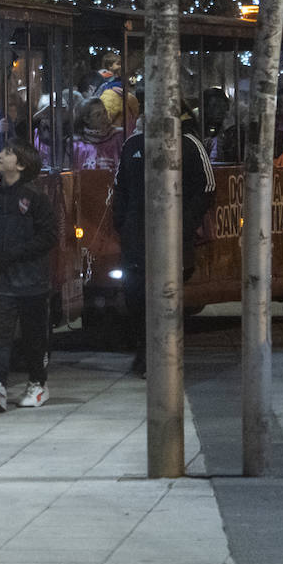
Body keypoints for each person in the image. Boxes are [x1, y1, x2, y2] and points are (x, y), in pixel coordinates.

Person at [110, 115, 216, 376]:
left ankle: (165, 353)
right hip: (136, 236)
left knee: (167, 295)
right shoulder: (133, 144)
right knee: (135, 295)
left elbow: (207, 188)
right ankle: (144, 352)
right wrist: (122, 223)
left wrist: (184, 223)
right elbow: (120, 186)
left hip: (173, 235)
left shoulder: (189, 144)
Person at [0, 141, 58, 412]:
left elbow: (48, 236)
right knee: (2, 335)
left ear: (21, 165)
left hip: (33, 282)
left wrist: (14, 254)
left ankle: (38, 383)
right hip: (1, 281)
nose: (0, 155)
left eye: (8, 153)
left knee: (34, 336)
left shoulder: (36, 198)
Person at [72, 97, 124, 170]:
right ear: (86, 119)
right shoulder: (77, 144)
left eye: (104, 112)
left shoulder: (119, 136)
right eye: (98, 115)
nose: (104, 117)